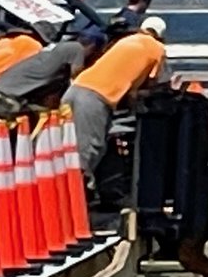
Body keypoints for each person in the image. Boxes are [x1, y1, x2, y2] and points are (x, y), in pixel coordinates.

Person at [62, 15, 172, 179]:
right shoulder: (156, 48)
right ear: (161, 36)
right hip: (94, 98)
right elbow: (156, 82)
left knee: (66, 146)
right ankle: (78, 195)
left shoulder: (126, 41)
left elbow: (127, 82)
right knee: (89, 150)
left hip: (74, 89)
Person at [0, 24, 108, 121]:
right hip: (7, 99)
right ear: (93, 46)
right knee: (45, 123)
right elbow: (76, 82)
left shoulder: (58, 48)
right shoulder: (76, 49)